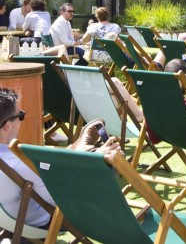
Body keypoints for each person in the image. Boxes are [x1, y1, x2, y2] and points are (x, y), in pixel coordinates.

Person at [0, 88, 121, 229]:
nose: (22, 119)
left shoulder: (12, 161)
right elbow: (59, 200)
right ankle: (84, 153)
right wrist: (96, 162)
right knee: (110, 163)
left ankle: (79, 151)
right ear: (7, 126)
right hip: (42, 222)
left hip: (7, 221)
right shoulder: (18, 162)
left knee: (50, 165)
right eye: (20, 115)